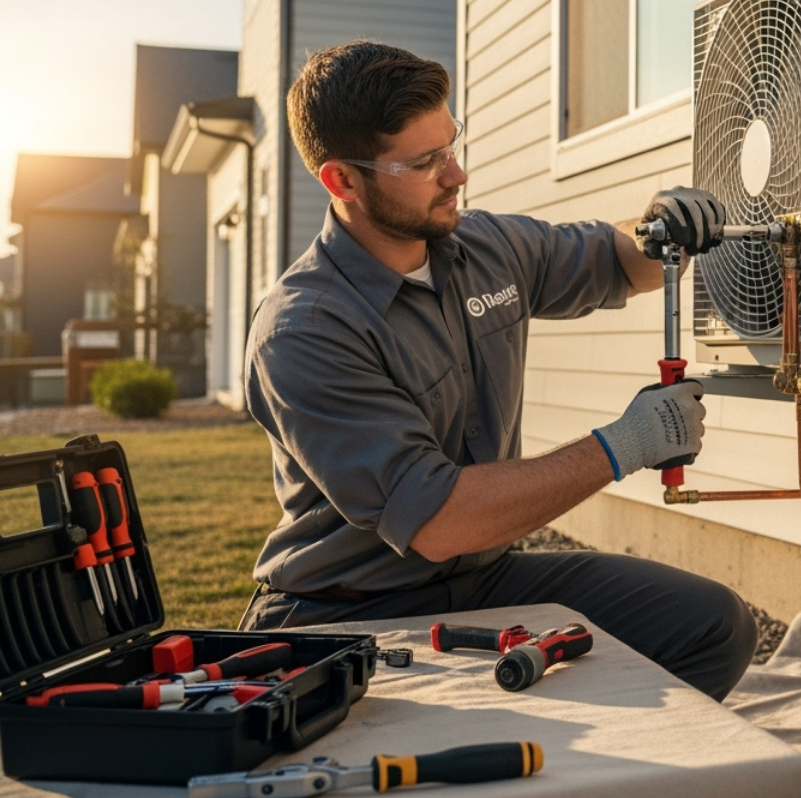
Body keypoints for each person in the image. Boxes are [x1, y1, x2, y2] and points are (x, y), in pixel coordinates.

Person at [239, 40, 756, 701]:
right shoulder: (305, 330)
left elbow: (619, 259)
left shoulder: (484, 246)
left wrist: (662, 228)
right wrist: (626, 444)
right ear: (342, 181)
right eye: (423, 163)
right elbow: (440, 522)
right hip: (349, 610)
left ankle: (600, 763)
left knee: (712, 625)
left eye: (451, 146)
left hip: (481, 579)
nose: (454, 175)